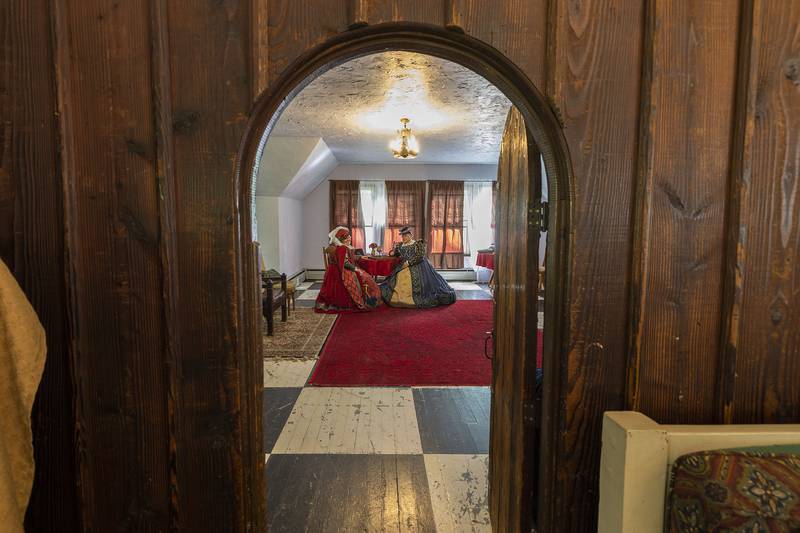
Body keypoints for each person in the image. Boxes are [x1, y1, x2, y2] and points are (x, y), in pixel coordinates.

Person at [380, 226, 456, 308]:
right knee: (396, 277)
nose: (403, 237)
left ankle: (411, 299)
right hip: (404, 265)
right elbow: (397, 254)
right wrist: (393, 252)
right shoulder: (401, 245)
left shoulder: (417, 244)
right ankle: (396, 298)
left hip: (418, 265)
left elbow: (420, 256)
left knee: (406, 277)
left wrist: (409, 263)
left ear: (410, 235)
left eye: (406, 235)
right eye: (402, 236)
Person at [315, 226, 382, 313]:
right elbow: (345, 263)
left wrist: (360, 257)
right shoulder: (342, 248)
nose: (349, 240)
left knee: (363, 274)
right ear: (341, 240)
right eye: (347, 238)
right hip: (340, 271)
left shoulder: (337, 246)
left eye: (349, 238)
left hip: (332, 271)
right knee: (365, 276)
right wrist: (356, 269)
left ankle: (368, 296)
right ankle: (367, 298)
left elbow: (347, 258)